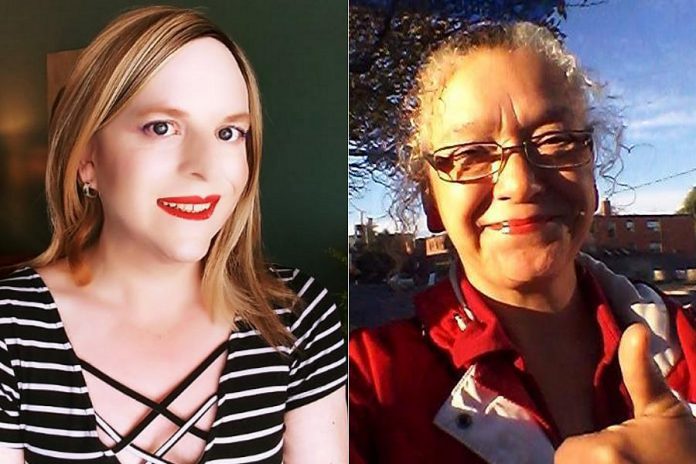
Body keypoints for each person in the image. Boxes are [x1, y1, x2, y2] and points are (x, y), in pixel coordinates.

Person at [0, 6, 347, 464]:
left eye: (229, 132)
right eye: (161, 127)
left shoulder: (297, 318)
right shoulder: (11, 330)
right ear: (87, 159)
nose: (204, 167)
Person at [349, 21, 696, 463]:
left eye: (555, 141)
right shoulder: (365, 386)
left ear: (591, 171)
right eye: (469, 154)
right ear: (432, 204)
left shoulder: (685, 339)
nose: (520, 182)